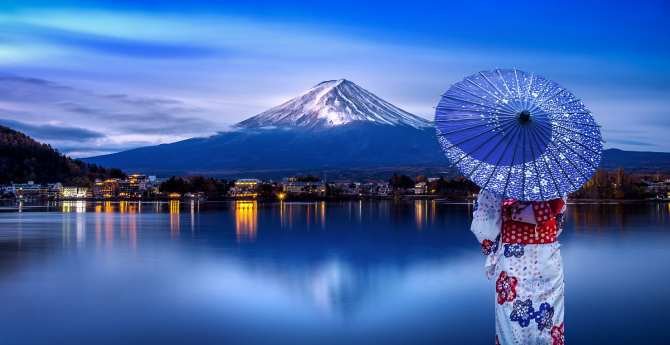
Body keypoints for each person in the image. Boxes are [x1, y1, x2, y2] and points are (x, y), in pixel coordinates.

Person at [471, 190, 567, 345]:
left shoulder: (501, 180)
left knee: (512, 328)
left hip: (513, 259)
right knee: (549, 324)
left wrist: (493, 246)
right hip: (548, 258)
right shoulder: (554, 181)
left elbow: (484, 225)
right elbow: (559, 223)